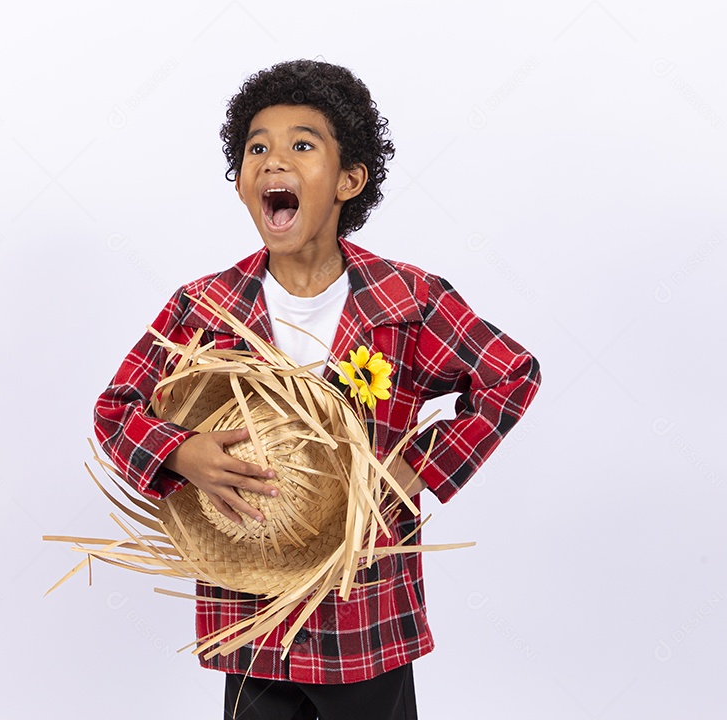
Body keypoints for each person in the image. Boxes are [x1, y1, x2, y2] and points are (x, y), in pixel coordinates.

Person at [94, 59, 542, 720]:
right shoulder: (204, 307)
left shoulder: (407, 301)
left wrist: (416, 468)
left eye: (302, 145)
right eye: (257, 148)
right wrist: (182, 452)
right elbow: (115, 411)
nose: (274, 159)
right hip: (252, 616)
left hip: (362, 613)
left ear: (348, 179)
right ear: (242, 181)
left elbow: (510, 374)